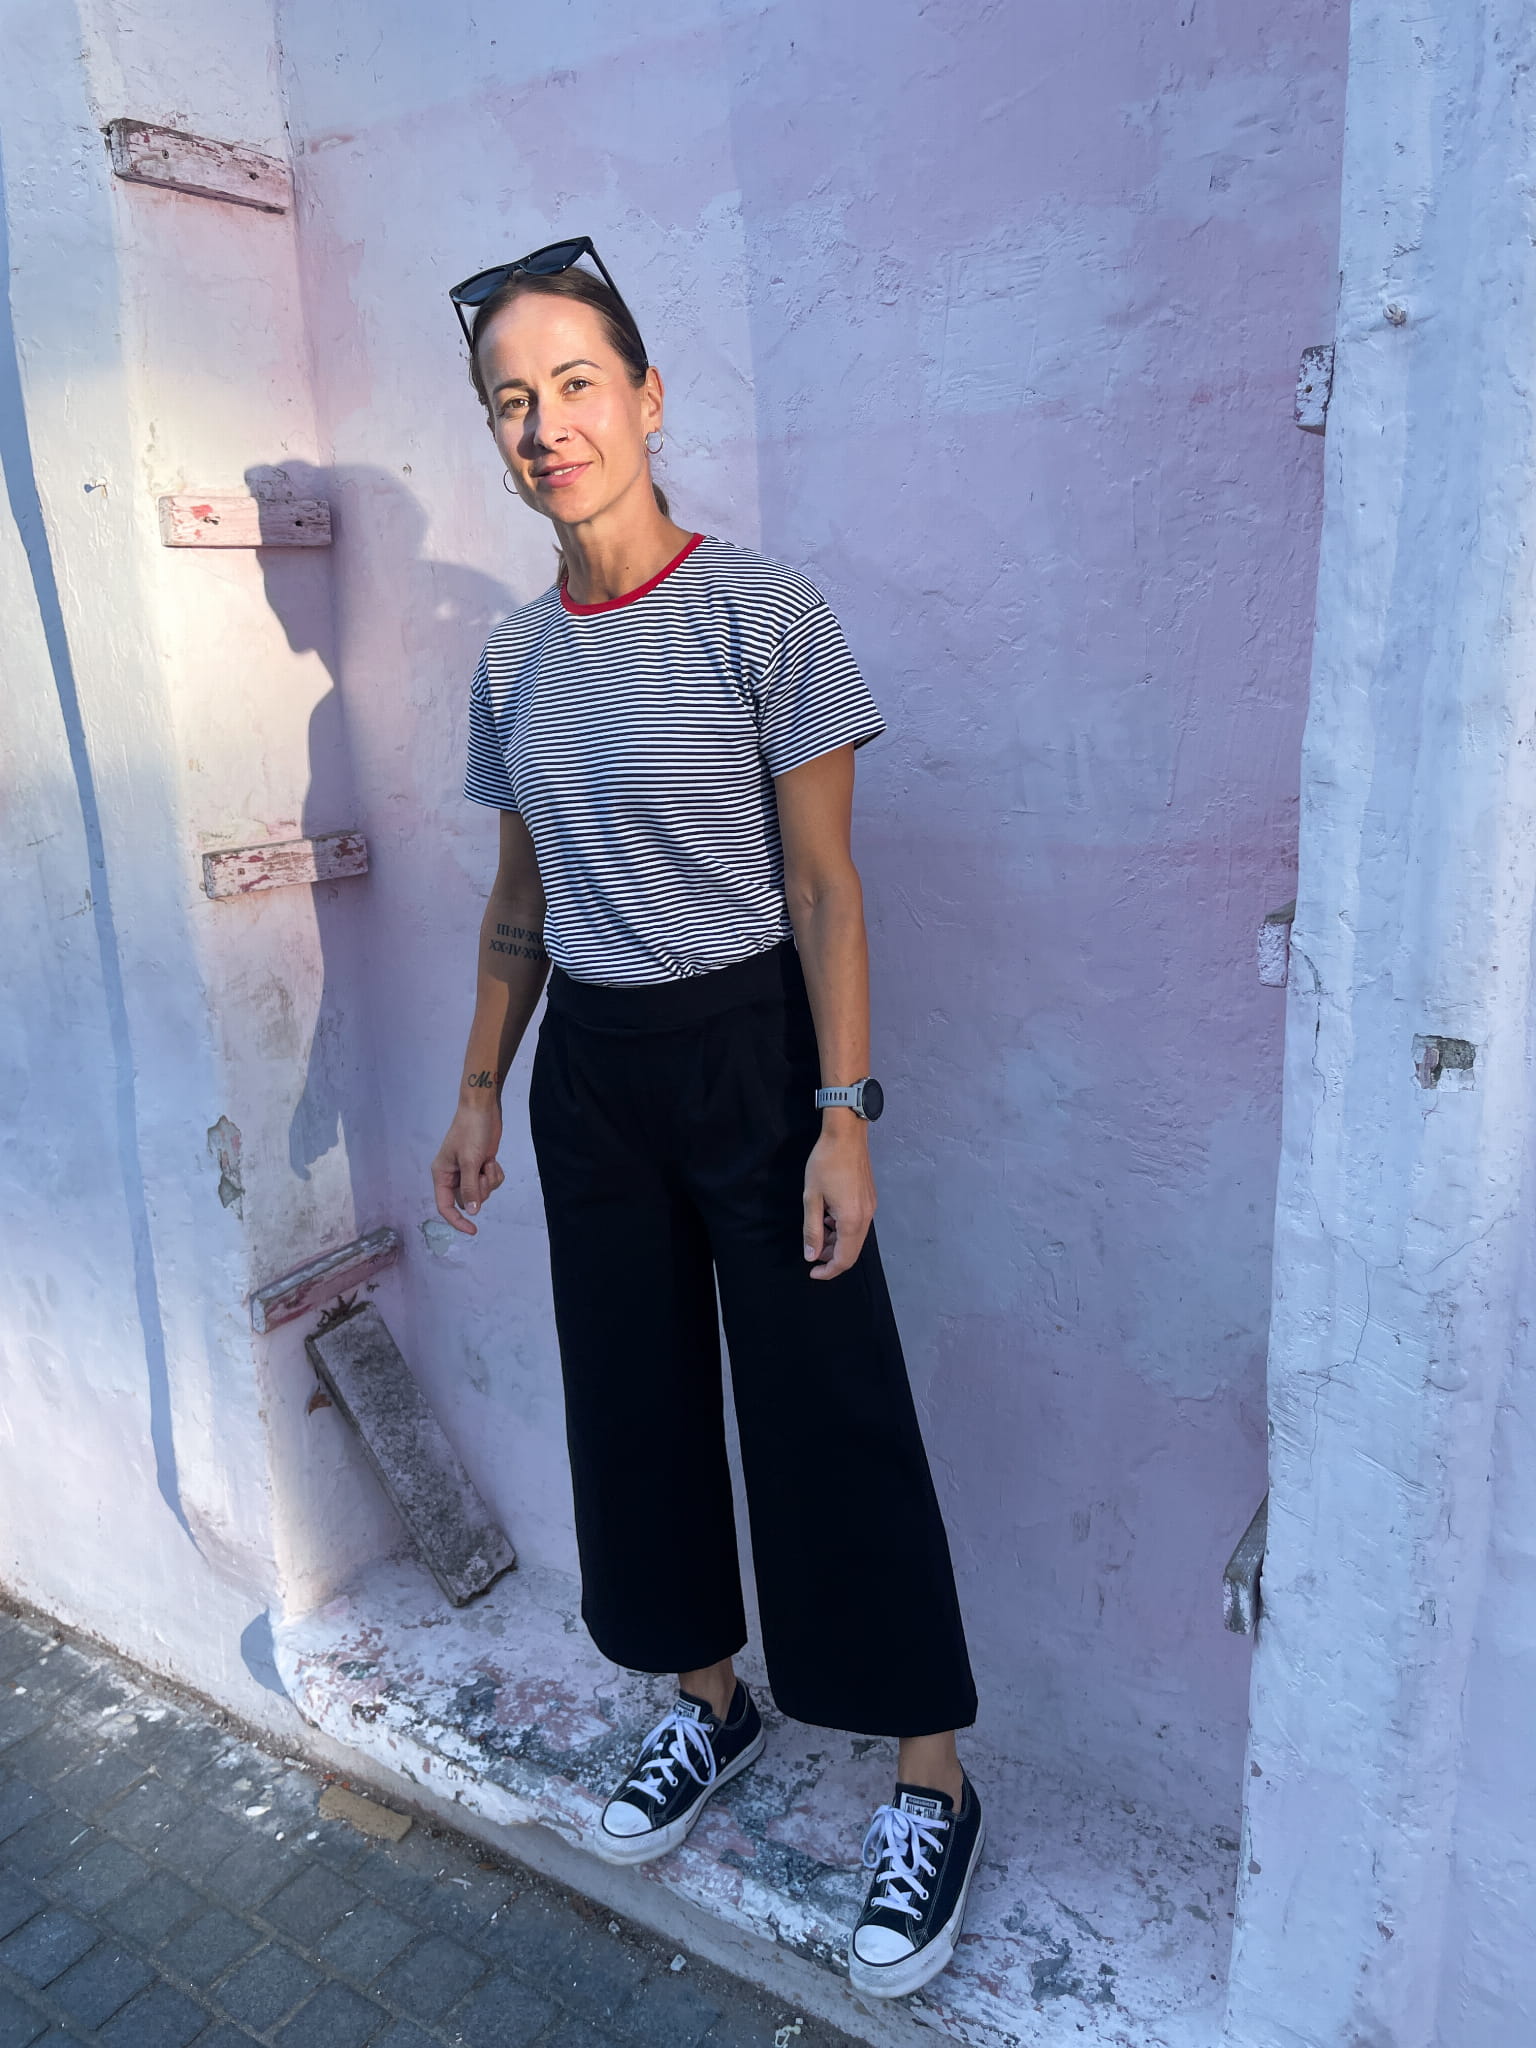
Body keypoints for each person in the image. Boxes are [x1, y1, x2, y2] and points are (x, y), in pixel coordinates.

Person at [431, 238, 982, 1999]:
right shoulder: (514, 662)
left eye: (576, 384)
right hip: (594, 1074)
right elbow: (520, 901)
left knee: (831, 1406)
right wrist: (479, 1089)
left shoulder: (762, 613)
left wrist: (844, 1114)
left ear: (648, 399)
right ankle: (706, 1700)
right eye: (511, 401)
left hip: (754, 1053)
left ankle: (929, 1776)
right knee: (636, 1402)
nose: (547, 426)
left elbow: (825, 891)